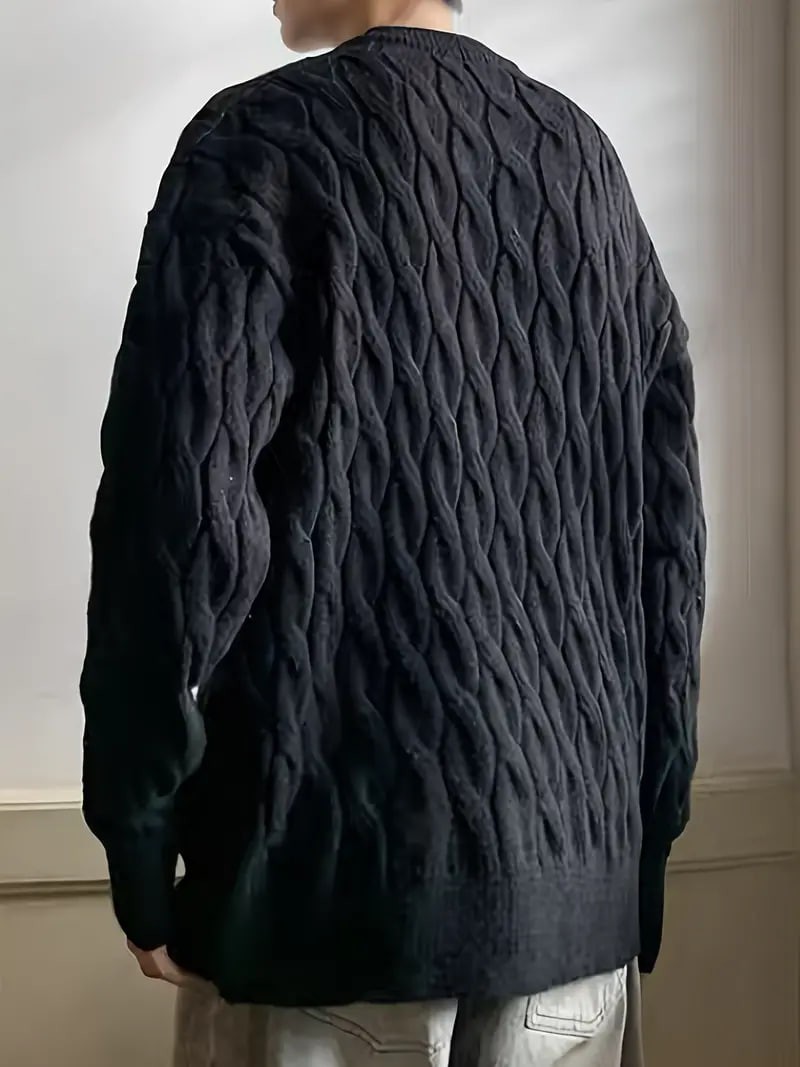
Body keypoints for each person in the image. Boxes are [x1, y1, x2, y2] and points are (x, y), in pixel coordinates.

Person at [80, 0, 705, 1064]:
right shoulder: (589, 165)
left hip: (324, 922)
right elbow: (669, 552)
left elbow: (177, 525)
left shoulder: (259, 141)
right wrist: (639, 858)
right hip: (574, 932)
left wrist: (140, 846)